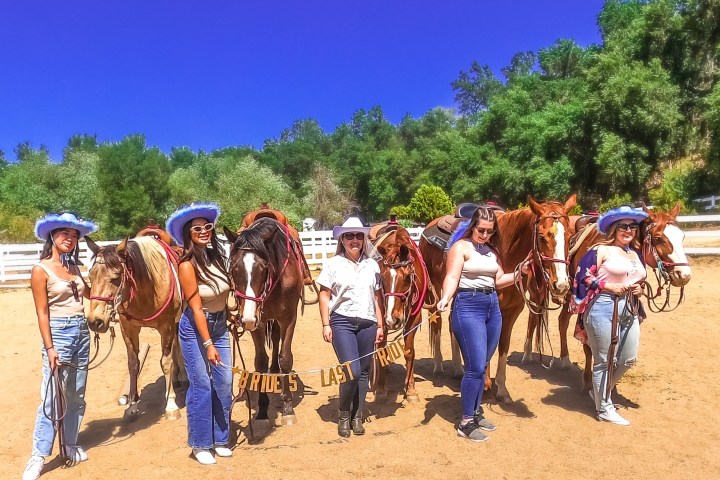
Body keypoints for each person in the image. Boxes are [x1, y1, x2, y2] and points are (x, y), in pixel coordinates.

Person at [436, 206, 528, 443]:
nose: (485, 235)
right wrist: (446, 297)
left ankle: (476, 412)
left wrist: (520, 272)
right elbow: (452, 276)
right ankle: (466, 422)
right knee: (475, 367)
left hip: (492, 308)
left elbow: (498, 280)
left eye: (489, 231)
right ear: (472, 227)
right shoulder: (460, 247)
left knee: (483, 363)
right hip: (468, 305)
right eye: (481, 230)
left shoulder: (491, 252)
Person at [23, 213, 98, 480]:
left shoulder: (75, 268)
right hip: (59, 333)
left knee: (76, 394)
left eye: (75, 234)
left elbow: (92, 293)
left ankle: (70, 444)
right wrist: (50, 347)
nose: (70, 238)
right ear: (52, 236)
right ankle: (39, 455)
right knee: (53, 396)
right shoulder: (40, 270)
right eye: (65, 233)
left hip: (81, 331)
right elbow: (42, 313)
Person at [167, 203, 233, 464]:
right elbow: (195, 308)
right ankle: (200, 443)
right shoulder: (186, 265)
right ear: (188, 233)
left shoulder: (218, 257)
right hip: (196, 327)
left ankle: (220, 438)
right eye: (197, 228)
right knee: (201, 383)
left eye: (208, 227)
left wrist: (232, 314)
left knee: (224, 381)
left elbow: (225, 292)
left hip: (220, 323)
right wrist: (208, 343)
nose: (204, 231)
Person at [573, 205, 648, 426]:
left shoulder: (634, 253)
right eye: (623, 226)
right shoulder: (600, 251)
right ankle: (604, 407)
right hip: (602, 307)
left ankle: (600, 391)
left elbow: (638, 278)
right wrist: (606, 286)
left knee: (627, 358)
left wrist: (640, 289)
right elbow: (582, 277)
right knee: (604, 361)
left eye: (633, 227)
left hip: (629, 308)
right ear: (614, 229)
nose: (629, 230)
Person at [317, 216, 384, 437]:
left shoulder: (373, 265)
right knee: (351, 371)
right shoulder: (333, 264)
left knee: (364, 372)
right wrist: (326, 323)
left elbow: (376, 298)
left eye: (358, 235)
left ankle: (358, 415)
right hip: (341, 320)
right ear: (342, 239)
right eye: (349, 236)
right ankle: (344, 413)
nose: (354, 240)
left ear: (364, 239)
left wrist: (381, 325)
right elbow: (324, 295)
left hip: (368, 322)